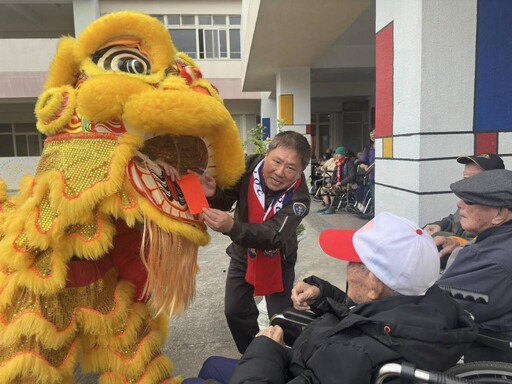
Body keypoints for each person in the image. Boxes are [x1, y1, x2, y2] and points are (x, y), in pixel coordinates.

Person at [185, 212, 477, 384]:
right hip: (310, 362)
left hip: (293, 369)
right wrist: (323, 294)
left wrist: (265, 349)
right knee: (211, 364)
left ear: (374, 284)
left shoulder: (352, 355)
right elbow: (363, 317)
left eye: (353, 262)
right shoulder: (421, 303)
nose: (347, 267)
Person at [197, 130, 312, 354]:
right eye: (277, 161)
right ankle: (253, 355)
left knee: (282, 318)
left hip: (278, 259)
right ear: (266, 154)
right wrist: (213, 193)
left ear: (300, 172)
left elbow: (274, 236)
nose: (280, 172)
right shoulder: (248, 167)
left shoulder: (300, 198)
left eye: (290, 168)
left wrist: (232, 227)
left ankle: (291, 358)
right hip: (242, 253)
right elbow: (227, 199)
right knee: (234, 310)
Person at [437, 169, 512, 363]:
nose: (459, 204)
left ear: (500, 214)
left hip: (489, 354)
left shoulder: (488, 260)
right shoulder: (498, 243)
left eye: (469, 201)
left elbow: (438, 310)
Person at [423, 154, 505, 262]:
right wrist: (439, 226)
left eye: (475, 179)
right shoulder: (467, 199)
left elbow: (475, 245)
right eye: (465, 178)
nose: (466, 184)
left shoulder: (495, 208)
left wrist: (439, 235)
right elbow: (454, 219)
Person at [316, 146, 356, 215]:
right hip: (338, 183)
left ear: (343, 155)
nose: (336, 155)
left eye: (338, 154)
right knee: (323, 189)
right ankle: (327, 206)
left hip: (348, 185)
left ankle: (332, 207)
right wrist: (330, 182)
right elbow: (334, 175)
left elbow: (352, 176)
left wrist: (341, 182)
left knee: (333, 189)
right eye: (336, 154)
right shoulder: (338, 163)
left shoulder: (349, 163)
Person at [359, 128, 375, 216]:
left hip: (384, 177)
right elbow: (362, 163)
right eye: (371, 132)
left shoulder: (384, 145)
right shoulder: (368, 148)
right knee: (373, 197)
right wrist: (365, 167)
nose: (373, 134)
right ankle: (373, 212)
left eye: (375, 132)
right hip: (373, 176)